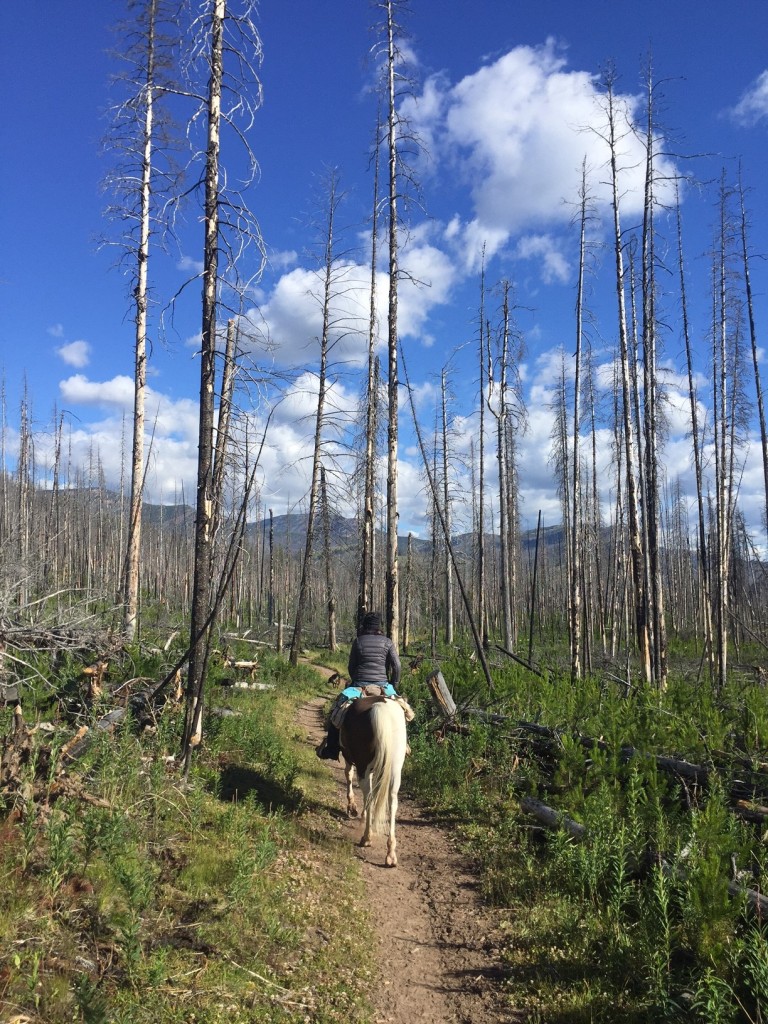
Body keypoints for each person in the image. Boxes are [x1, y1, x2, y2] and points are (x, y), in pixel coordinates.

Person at [317, 611, 401, 760]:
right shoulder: (388, 642)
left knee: (338, 710)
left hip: (359, 685)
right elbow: (397, 666)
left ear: (365, 626)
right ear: (378, 626)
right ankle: (404, 744)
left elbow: (351, 666)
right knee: (402, 712)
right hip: (383, 685)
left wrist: (356, 679)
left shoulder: (358, 641)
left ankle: (332, 749)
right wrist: (393, 684)